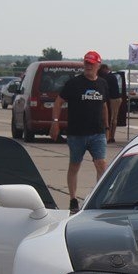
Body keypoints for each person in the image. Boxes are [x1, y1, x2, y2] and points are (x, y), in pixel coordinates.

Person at [52, 51, 109, 213]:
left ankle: (99, 199)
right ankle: (73, 199)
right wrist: (55, 122)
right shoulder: (74, 83)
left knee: (101, 164)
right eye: (86, 63)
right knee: (75, 165)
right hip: (77, 133)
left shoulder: (103, 84)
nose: (88, 66)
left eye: (91, 63)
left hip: (97, 133)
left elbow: (104, 106)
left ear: (98, 65)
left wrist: (107, 127)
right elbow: (58, 102)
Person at [98, 63, 124, 143]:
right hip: (117, 98)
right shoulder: (113, 76)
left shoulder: (108, 77)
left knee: (110, 118)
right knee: (114, 118)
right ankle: (112, 136)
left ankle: (109, 136)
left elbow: (105, 89)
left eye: (101, 70)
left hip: (113, 99)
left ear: (105, 69)